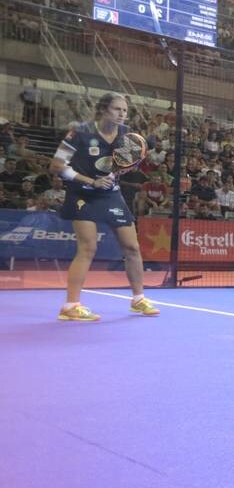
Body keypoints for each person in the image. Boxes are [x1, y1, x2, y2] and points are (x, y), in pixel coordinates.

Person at [48, 92, 160, 322]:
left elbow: (123, 163)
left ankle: (139, 300)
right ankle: (70, 306)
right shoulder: (79, 131)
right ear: (102, 109)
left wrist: (123, 170)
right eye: (117, 109)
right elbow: (56, 166)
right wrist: (91, 181)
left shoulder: (126, 134)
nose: (122, 114)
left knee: (132, 247)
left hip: (110, 194)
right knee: (88, 247)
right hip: (83, 193)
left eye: (125, 110)